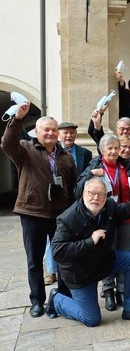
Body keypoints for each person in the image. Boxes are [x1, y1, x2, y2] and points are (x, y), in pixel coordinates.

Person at [1, 103, 78, 317]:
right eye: (47, 130)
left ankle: (63, 297)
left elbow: (72, 185)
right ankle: (37, 301)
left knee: (63, 257)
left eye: (54, 130)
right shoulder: (25, 148)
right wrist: (16, 119)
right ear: (37, 132)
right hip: (32, 213)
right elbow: (7, 143)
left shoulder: (65, 156)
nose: (51, 133)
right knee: (34, 261)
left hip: (59, 215)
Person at [46, 178, 130, 326]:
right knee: (91, 319)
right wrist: (90, 241)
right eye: (91, 193)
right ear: (83, 194)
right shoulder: (68, 218)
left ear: (106, 196)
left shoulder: (109, 205)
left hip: (104, 262)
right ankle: (57, 299)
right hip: (81, 274)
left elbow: (125, 211)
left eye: (101, 194)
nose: (96, 198)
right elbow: (58, 251)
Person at [74, 134, 130, 311]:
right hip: (105, 219)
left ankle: (122, 290)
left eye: (117, 148)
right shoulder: (94, 166)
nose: (115, 151)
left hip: (127, 218)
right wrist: (90, 175)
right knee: (106, 254)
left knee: (126, 254)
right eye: (110, 148)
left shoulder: (127, 165)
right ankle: (108, 290)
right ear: (102, 150)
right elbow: (78, 190)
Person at [42, 121, 92, 286]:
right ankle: (51, 270)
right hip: (56, 201)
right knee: (55, 237)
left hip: (78, 202)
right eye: (65, 133)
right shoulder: (52, 152)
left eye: (72, 133)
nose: (69, 136)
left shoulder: (84, 153)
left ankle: (72, 267)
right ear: (59, 135)